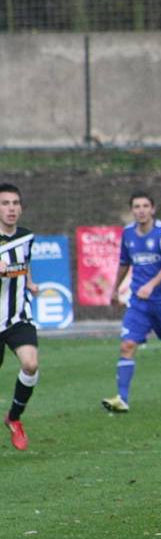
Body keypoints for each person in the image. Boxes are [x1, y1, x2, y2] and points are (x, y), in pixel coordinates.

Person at [102, 191, 161, 415]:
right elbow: (124, 263)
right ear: (131, 210)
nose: (141, 210)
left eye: (145, 206)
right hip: (138, 303)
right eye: (136, 207)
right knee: (127, 346)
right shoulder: (128, 234)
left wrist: (151, 285)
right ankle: (122, 398)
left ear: (153, 209)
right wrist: (114, 290)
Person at [0, 184, 40, 451]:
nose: (11, 208)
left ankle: (14, 419)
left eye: (15, 203)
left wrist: (31, 283)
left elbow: (25, 266)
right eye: (5, 203)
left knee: (30, 365)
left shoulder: (26, 237)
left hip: (17, 317)